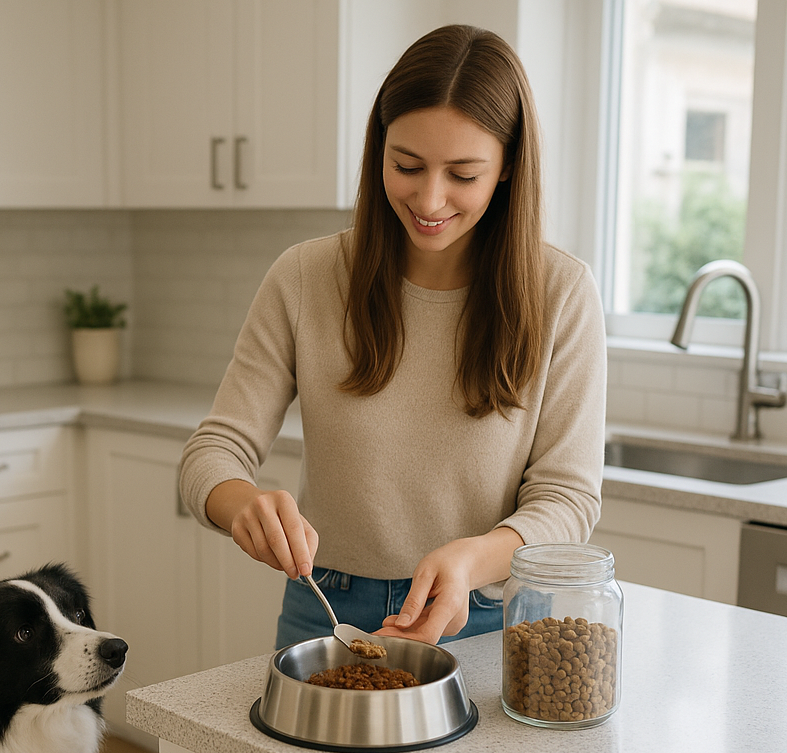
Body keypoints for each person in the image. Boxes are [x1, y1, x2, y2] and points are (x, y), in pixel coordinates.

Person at [178, 24, 606, 648]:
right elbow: (211, 453)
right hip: (325, 608)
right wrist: (239, 501)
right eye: (407, 165)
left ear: (509, 165)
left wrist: (472, 561)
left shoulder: (561, 293)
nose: (429, 197)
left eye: (463, 174)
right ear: (379, 149)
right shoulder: (305, 278)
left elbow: (568, 500)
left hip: (487, 615)